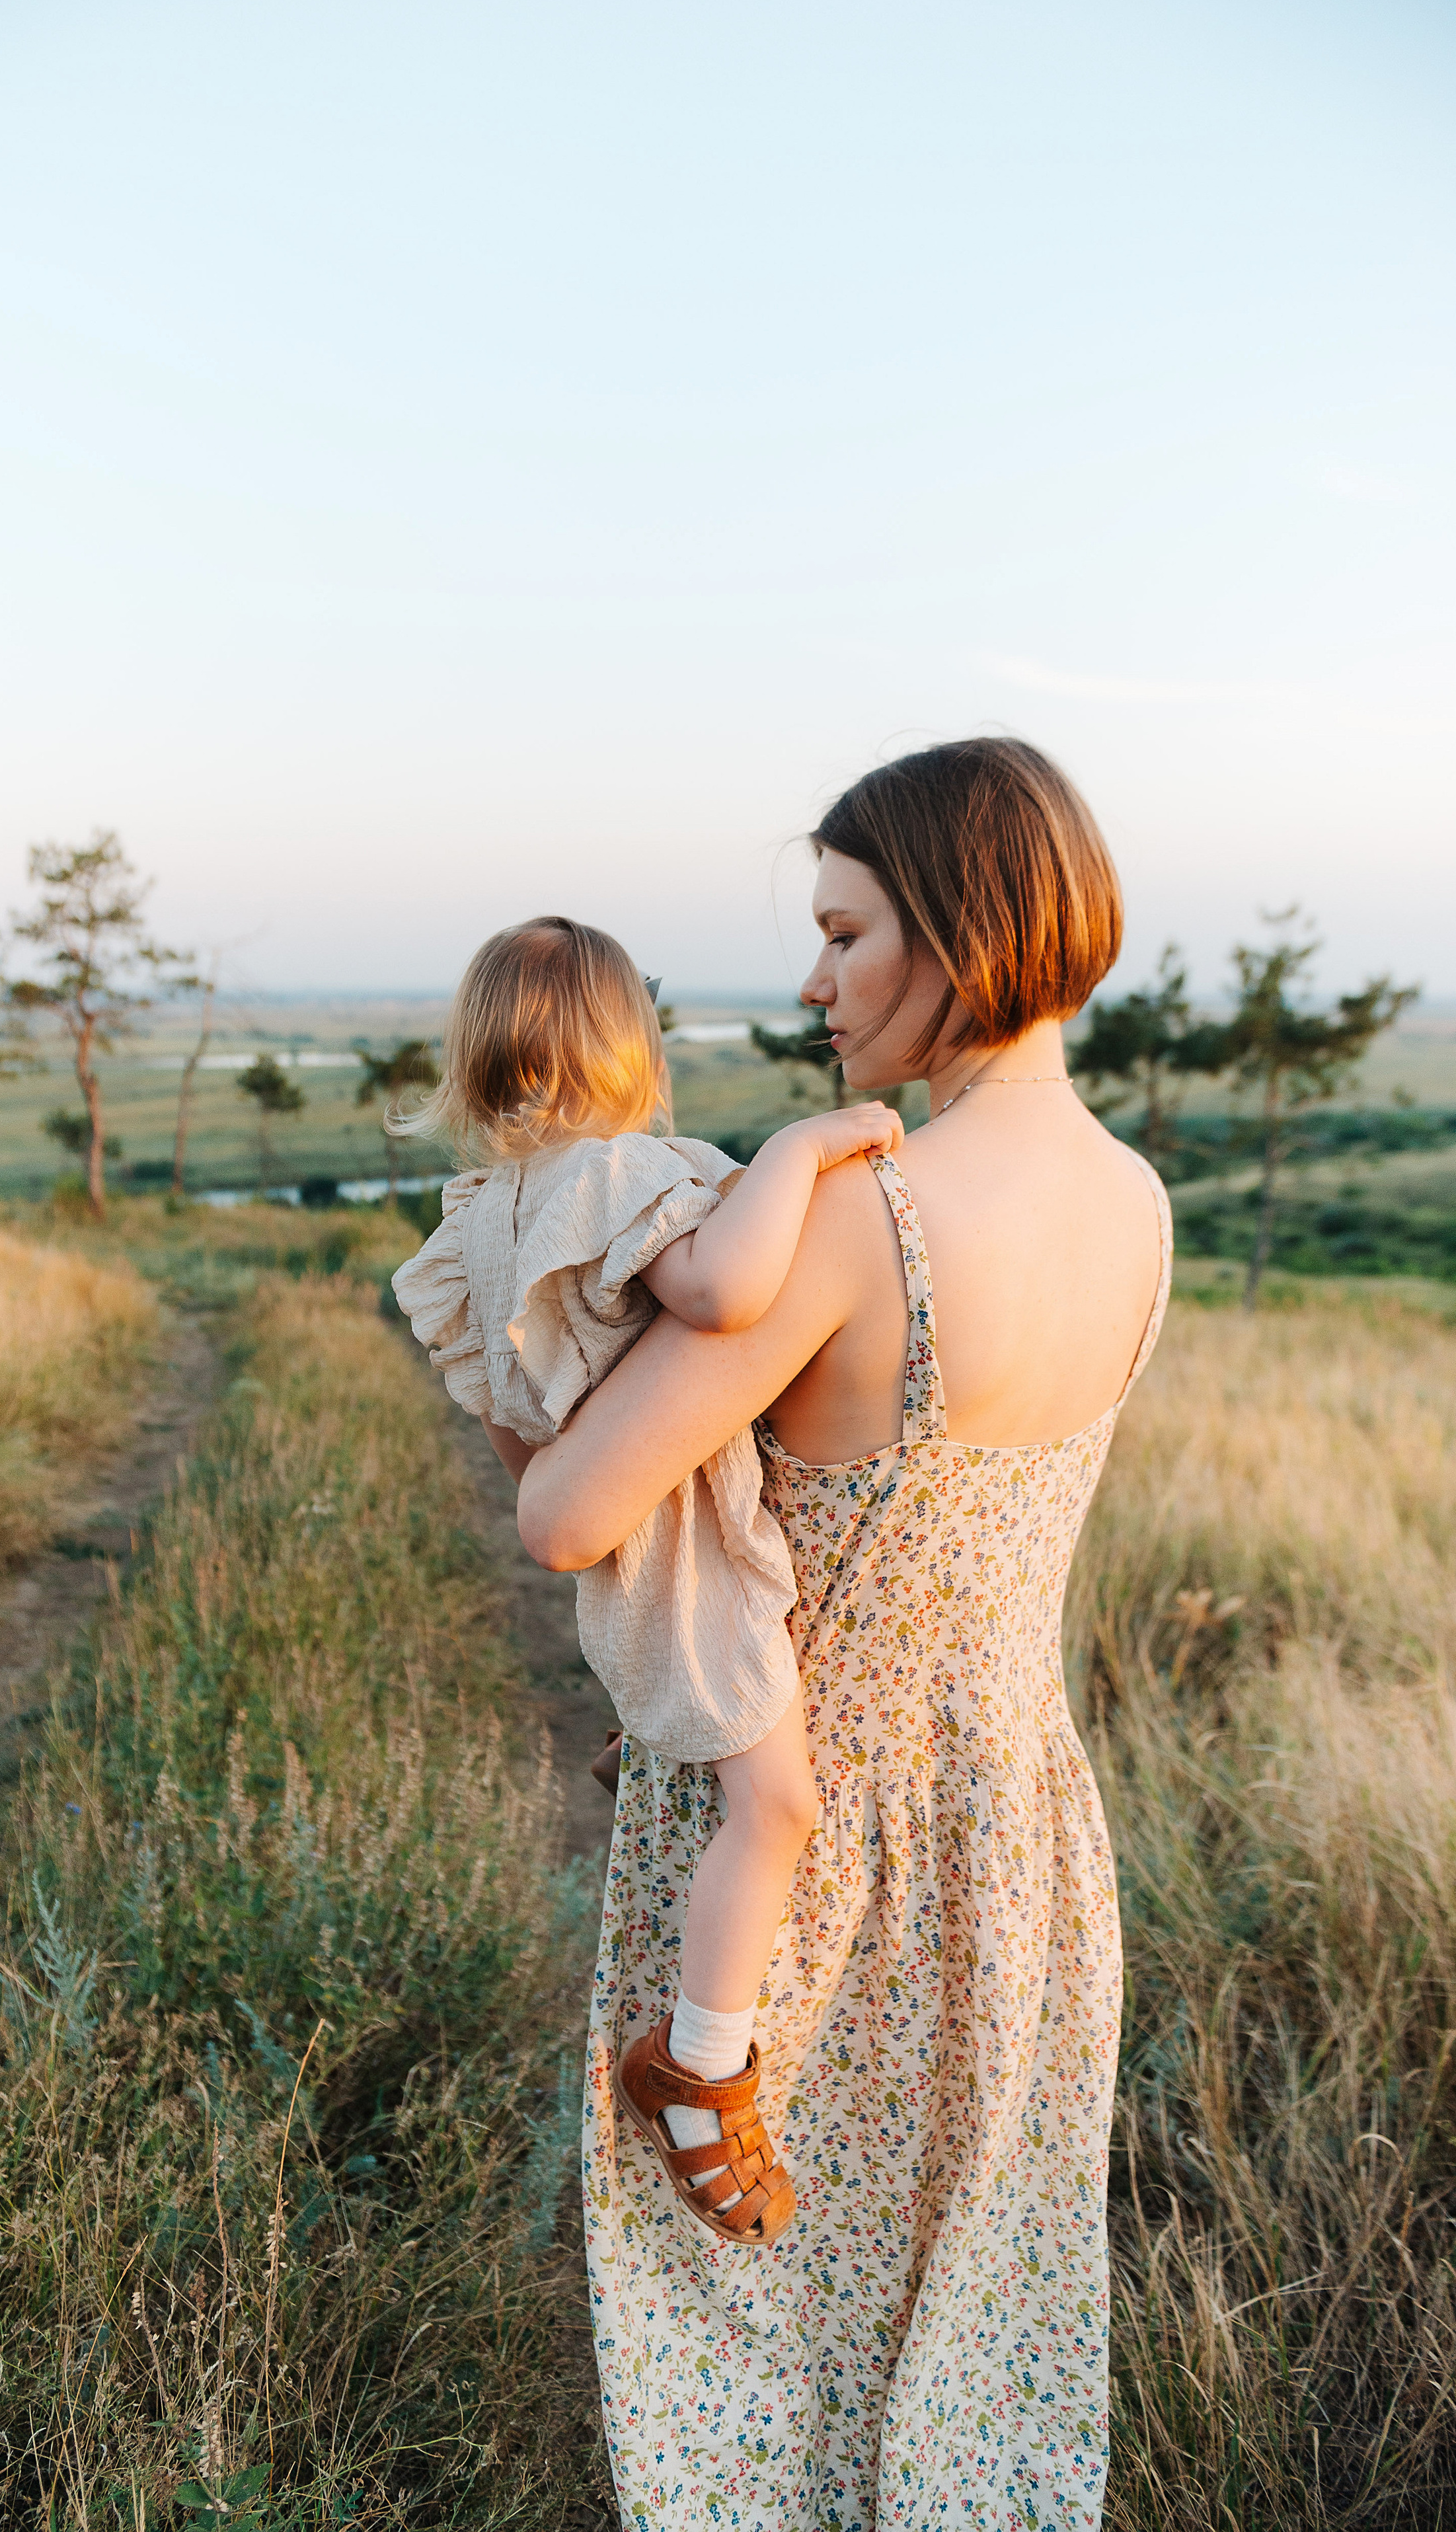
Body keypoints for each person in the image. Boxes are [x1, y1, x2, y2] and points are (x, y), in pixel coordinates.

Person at [516, 739, 1170, 2529]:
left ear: (959, 931)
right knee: (968, 2318)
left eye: (843, 932)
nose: (813, 983)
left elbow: (574, 1511)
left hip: (813, 1853)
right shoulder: (1138, 1204)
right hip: (1019, 1831)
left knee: (750, 2323)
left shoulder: (860, 1222)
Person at [389, 916, 903, 2244]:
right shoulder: (620, 1175)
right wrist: (801, 1144)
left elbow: (517, 1439)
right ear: (629, 1045)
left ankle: (651, 1728)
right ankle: (700, 2066)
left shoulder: (474, 1224)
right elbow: (728, 1290)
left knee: (722, 1749)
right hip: (683, 1543)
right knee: (776, 1805)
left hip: (619, 1559)